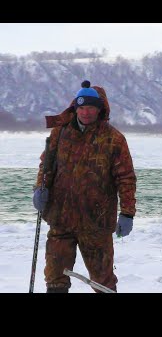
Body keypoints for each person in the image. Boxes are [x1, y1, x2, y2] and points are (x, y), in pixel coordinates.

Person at [33, 80, 137, 293]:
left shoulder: (114, 139)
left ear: (100, 110)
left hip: (96, 223)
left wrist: (127, 213)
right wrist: (39, 189)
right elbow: (47, 166)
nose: (86, 112)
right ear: (75, 108)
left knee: (103, 281)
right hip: (60, 219)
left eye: (91, 108)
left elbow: (126, 178)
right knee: (55, 277)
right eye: (82, 108)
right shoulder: (60, 133)